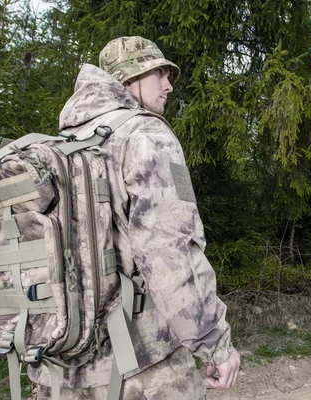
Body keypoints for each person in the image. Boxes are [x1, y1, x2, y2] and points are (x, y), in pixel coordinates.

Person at [33, 36, 240, 399]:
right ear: (128, 79)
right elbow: (171, 250)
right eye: (158, 72)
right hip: (143, 366)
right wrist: (215, 344)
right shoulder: (147, 134)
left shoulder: (60, 146)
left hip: (60, 369)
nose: (169, 84)